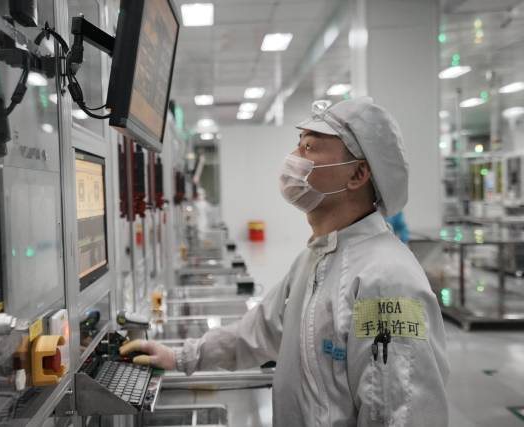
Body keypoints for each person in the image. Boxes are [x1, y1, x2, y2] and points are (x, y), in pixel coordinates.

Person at [121, 97, 449, 427]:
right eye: (298, 144)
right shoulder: (315, 259)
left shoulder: (386, 280)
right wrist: (178, 357)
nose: (293, 158)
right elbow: (259, 331)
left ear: (358, 173)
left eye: (309, 147)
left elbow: (399, 415)